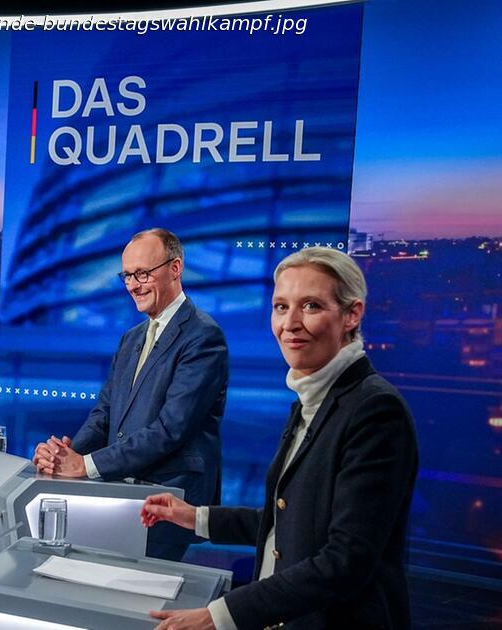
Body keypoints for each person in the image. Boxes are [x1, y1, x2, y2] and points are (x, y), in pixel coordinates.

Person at [140, 247, 418, 630]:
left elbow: (345, 559)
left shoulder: (375, 410)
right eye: (281, 307)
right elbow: (293, 521)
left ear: (352, 314)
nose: (290, 323)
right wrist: (195, 517)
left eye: (311, 306)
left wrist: (219, 616)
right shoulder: (311, 400)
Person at [34, 228, 227, 561]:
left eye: (142, 273)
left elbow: (170, 429)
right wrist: (66, 456)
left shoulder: (203, 336)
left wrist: (85, 465)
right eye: (127, 276)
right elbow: (104, 413)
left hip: (168, 498)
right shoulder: (131, 338)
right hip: (122, 494)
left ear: (175, 268)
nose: (133, 285)